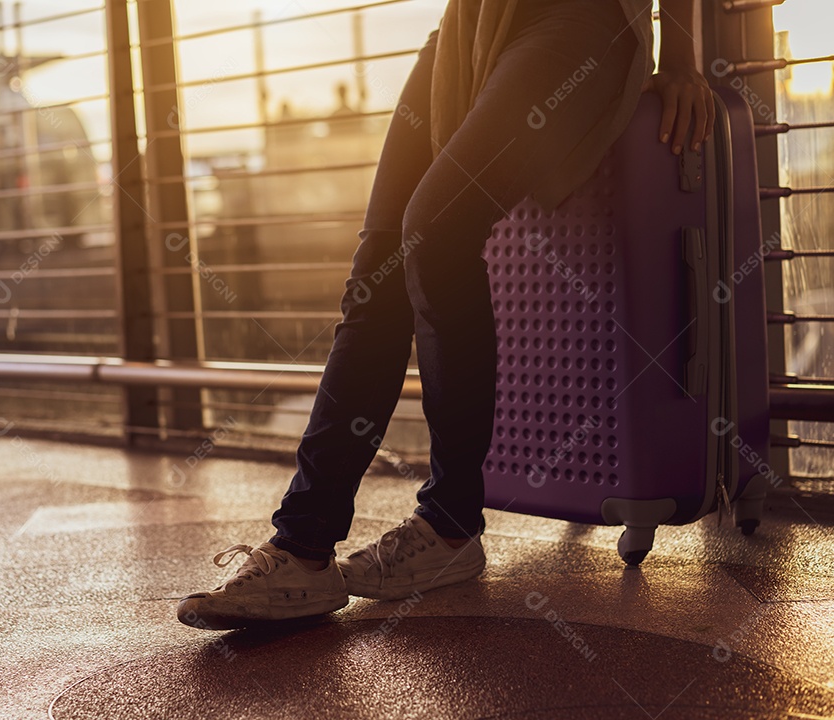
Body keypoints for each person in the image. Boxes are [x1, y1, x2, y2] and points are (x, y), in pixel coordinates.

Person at [178, 0, 714, 629]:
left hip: (576, 22)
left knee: (434, 235)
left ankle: (451, 525)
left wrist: (680, 55)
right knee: (378, 268)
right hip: (469, 26)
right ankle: (304, 546)